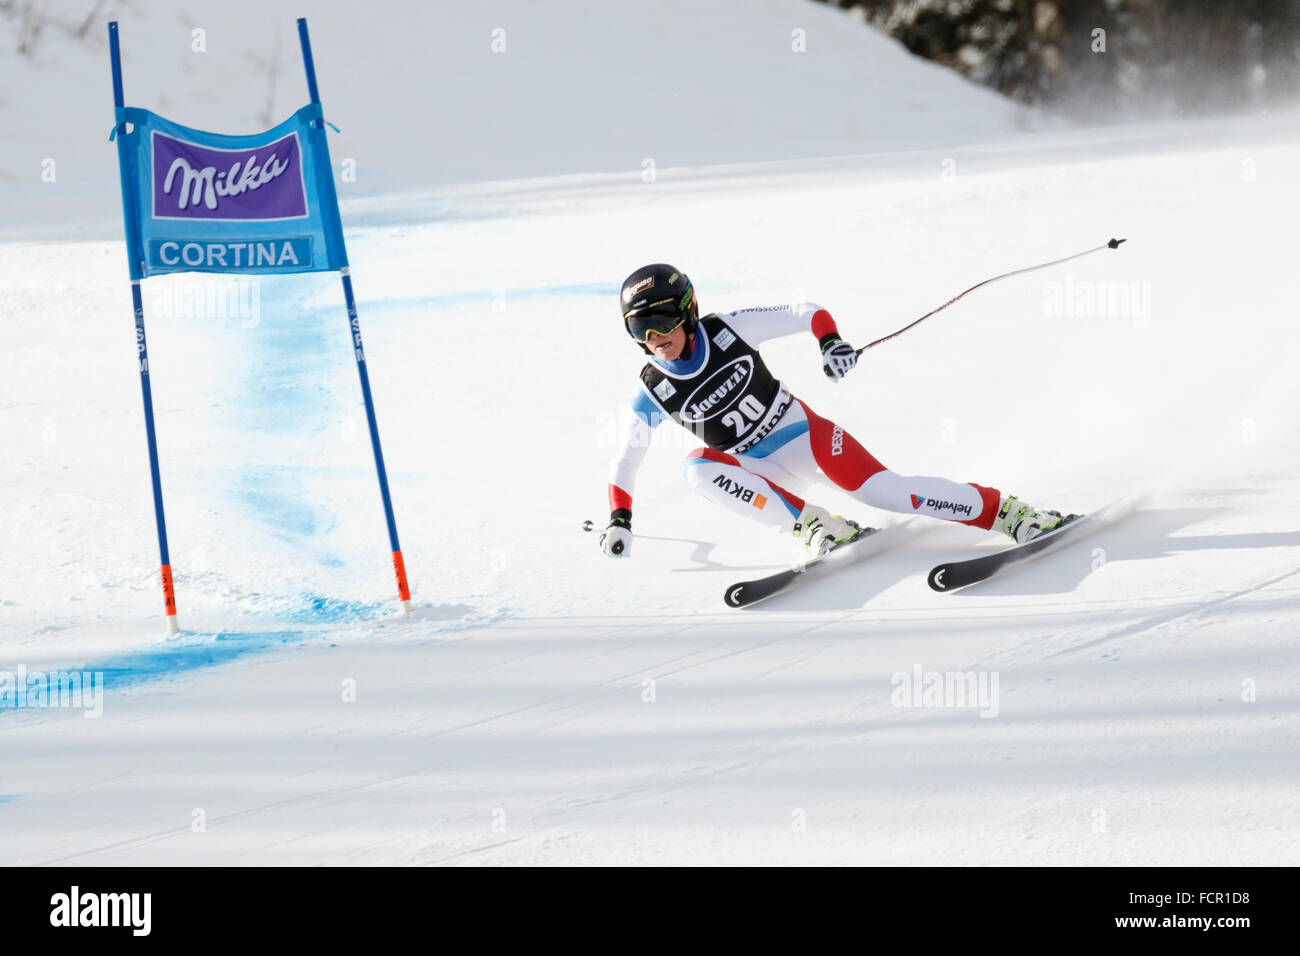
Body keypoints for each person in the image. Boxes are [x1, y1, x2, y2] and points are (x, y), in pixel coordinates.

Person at [599, 263, 1066, 559]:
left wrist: (830, 343)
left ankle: (1009, 513)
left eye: (660, 322)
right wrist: (620, 519)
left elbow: (807, 311)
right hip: (759, 471)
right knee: (696, 469)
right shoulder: (654, 390)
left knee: (888, 493)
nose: (653, 338)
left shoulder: (731, 330)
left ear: (688, 310)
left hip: (803, 438)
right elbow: (625, 461)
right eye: (638, 329)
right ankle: (816, 525)